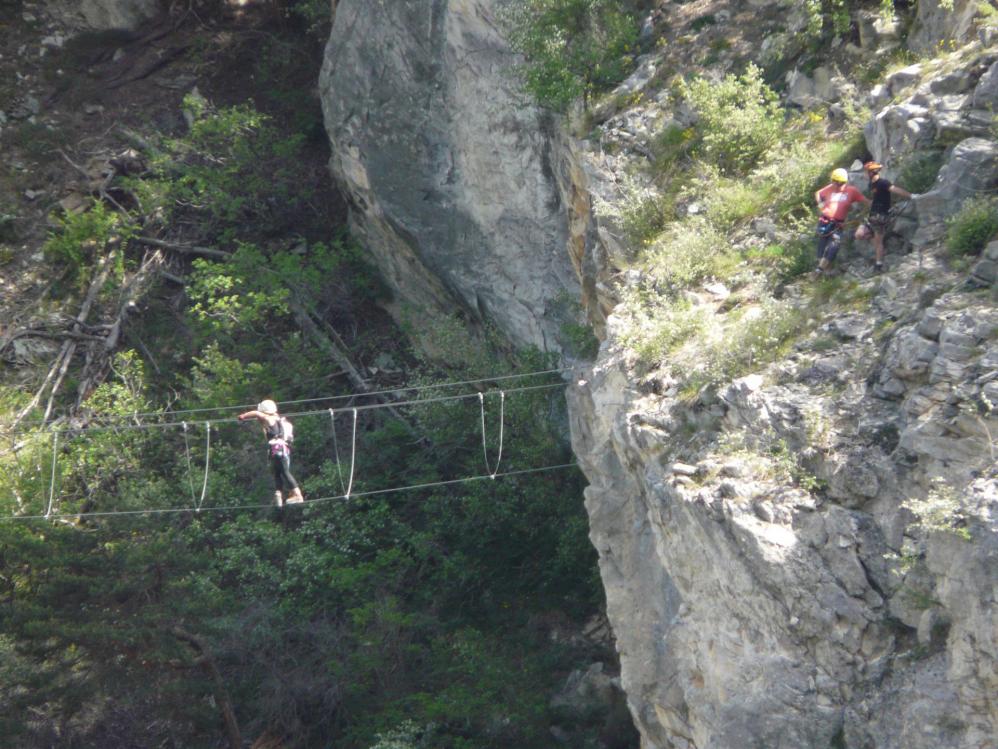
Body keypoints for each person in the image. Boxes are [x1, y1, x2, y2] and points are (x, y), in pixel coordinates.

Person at [238, 399, 303, 507]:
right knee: (277, 472)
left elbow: (256, 413)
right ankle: (278, 495)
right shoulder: (282, 421)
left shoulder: (269, 419)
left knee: (285, 472)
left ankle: (297, 494)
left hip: (277, 449)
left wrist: (243, 416)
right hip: (281, 450)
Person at [859, 161, 914, 273]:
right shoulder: (872, 184)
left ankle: (878, 265)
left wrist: (911, 195)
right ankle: (880, 254)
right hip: (874, 215)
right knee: (865, 235)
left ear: (871, 173)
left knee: (878, 241)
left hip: (880, 216)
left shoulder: (882, 183)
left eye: (866, 172)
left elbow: (895, 190)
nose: (864, 174)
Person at [814, 168, 870, 275]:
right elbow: (818, 194)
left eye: (834, 181)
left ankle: (819, 270)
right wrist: (821, 206)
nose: (832, 183)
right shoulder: (830, 188)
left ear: (839, 182)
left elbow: (865, 201)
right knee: (822, 248)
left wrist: (869, 210)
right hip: (824, 222)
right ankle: (825, 273)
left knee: (833, 246)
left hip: (837, 224)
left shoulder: (851, 191)